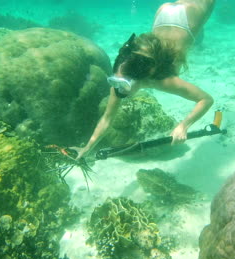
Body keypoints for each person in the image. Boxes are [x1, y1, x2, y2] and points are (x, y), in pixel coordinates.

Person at [76, 0, 216, 159]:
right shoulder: (122, 75)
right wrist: (87, 148)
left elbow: (206, 99)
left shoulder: (162, 81)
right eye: (115, 81)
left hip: (190, 17)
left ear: (142, 79)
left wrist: (183, 126)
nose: (118, 89)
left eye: (123, 85)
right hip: (164, 13)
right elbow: (107, 119)